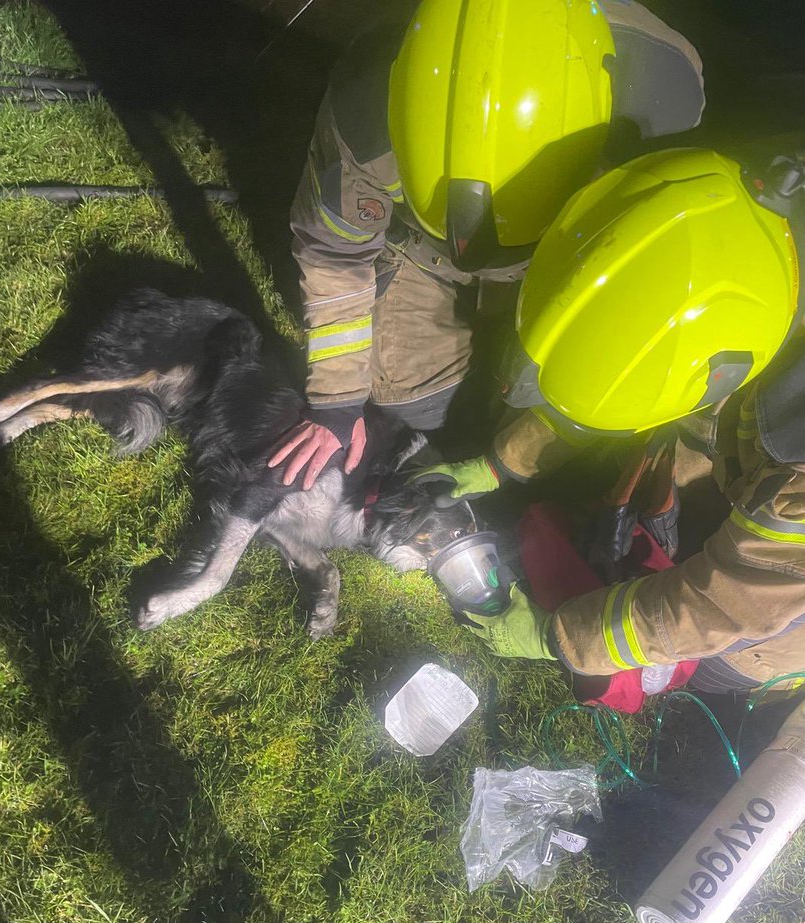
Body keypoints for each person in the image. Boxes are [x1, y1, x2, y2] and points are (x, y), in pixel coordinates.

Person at [268, 0, 705, 489]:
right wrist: (338, 400)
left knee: (544, 392)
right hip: (419, 252)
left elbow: (643, 283)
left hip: (560, 262)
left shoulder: (660, 106)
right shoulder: (366, 105)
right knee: (415, 409)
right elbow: (335, 255)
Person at [422, 145, 805, 694]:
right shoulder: (730, 231)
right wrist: (498, 465)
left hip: (785, 605)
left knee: (719, 664)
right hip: (758, 452)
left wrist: (560, 639)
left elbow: (719, 607)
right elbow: (620, 384)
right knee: (673, 519)